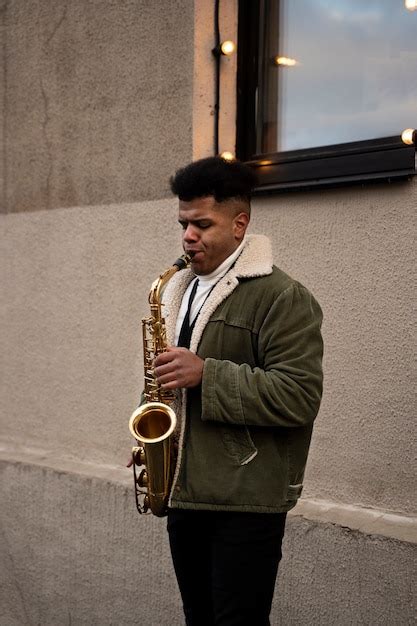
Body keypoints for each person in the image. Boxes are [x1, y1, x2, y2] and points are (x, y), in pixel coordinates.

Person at [153, 156, 324, 626]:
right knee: (199, 618)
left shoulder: (283, 296)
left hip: (245, 499)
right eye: (184, 224)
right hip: (184, 489)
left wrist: (208, 374)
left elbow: (300, 394)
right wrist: (157, 433)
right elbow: (174, 378)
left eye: (202, 224)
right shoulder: (179, 288)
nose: (188, 236)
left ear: (239, 223)